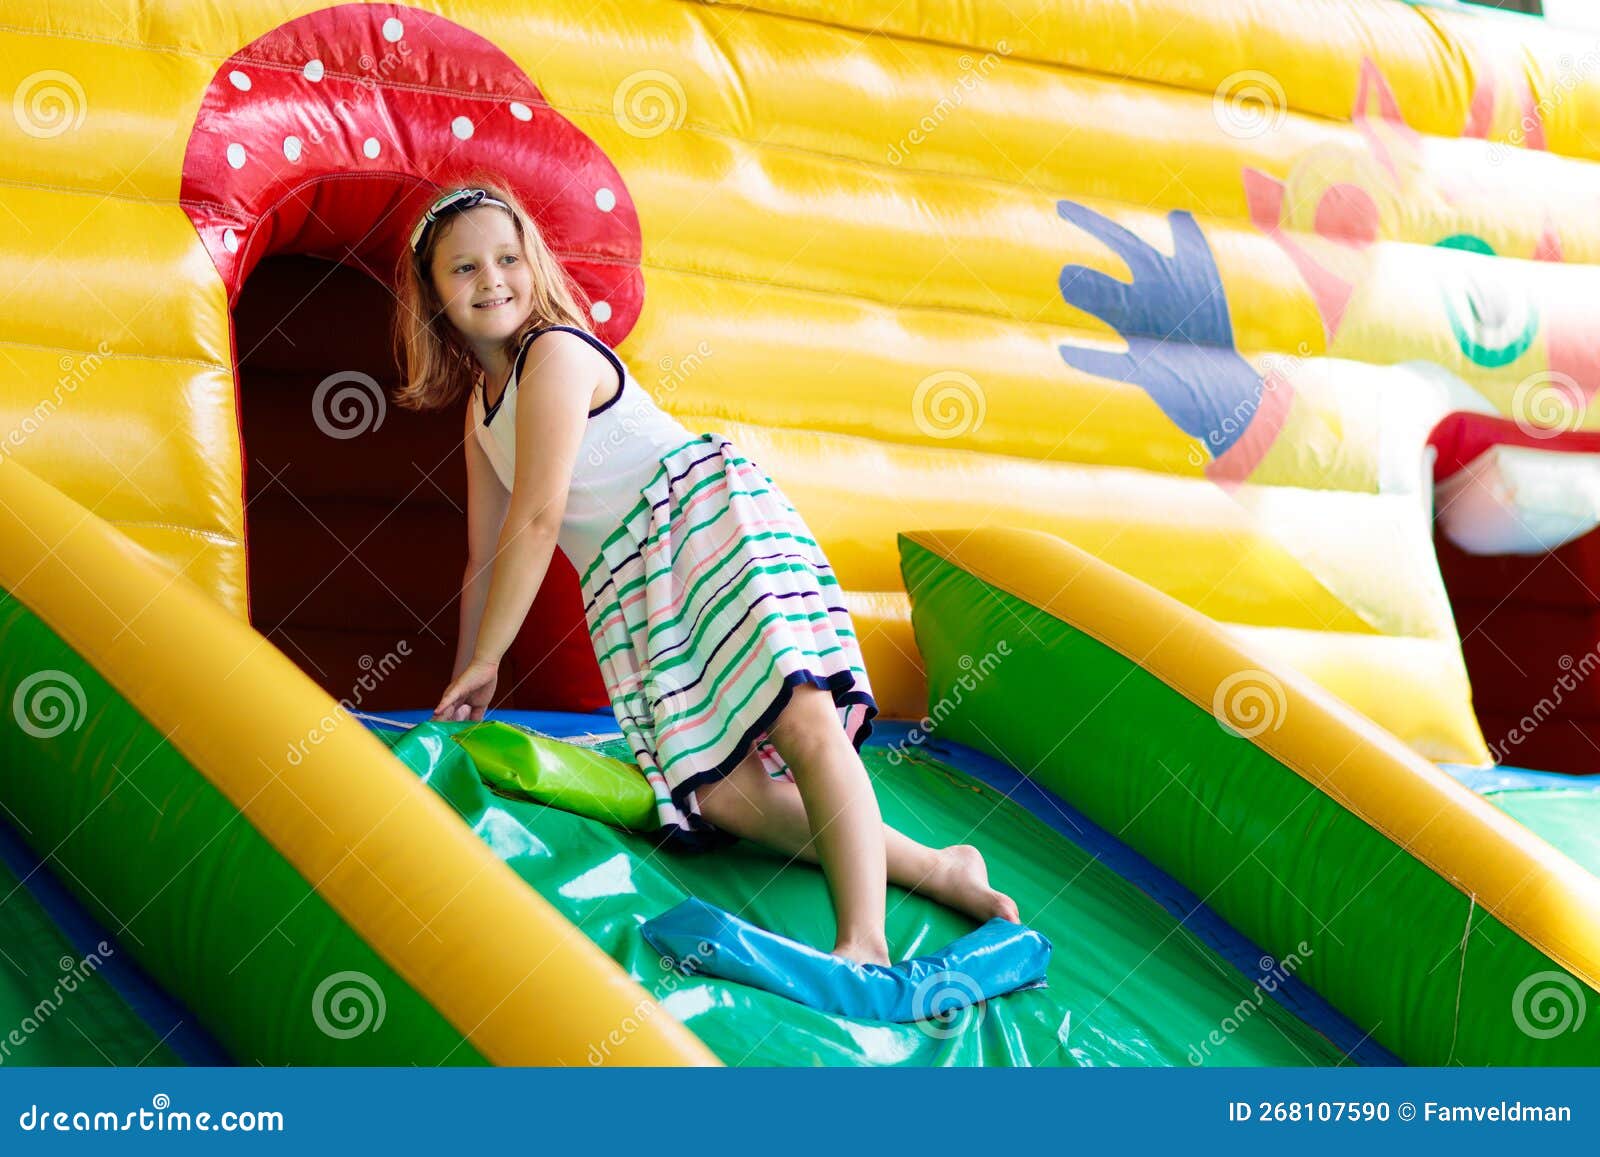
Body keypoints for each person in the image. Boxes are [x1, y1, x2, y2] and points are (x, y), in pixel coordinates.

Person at [396, 175, 1018, 964]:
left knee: (801, 720)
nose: (492, 280)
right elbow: (484, 555)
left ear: (534, 263)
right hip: (639, 584)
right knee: (723, 794)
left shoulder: (551, 353)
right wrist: (465, 687)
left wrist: (491, 656)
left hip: (702, 525)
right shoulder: (479, 412)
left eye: (507, 258)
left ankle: (863, 938)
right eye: (464, 268)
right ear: (432, 293)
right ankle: (938, 866)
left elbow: (540, 516)